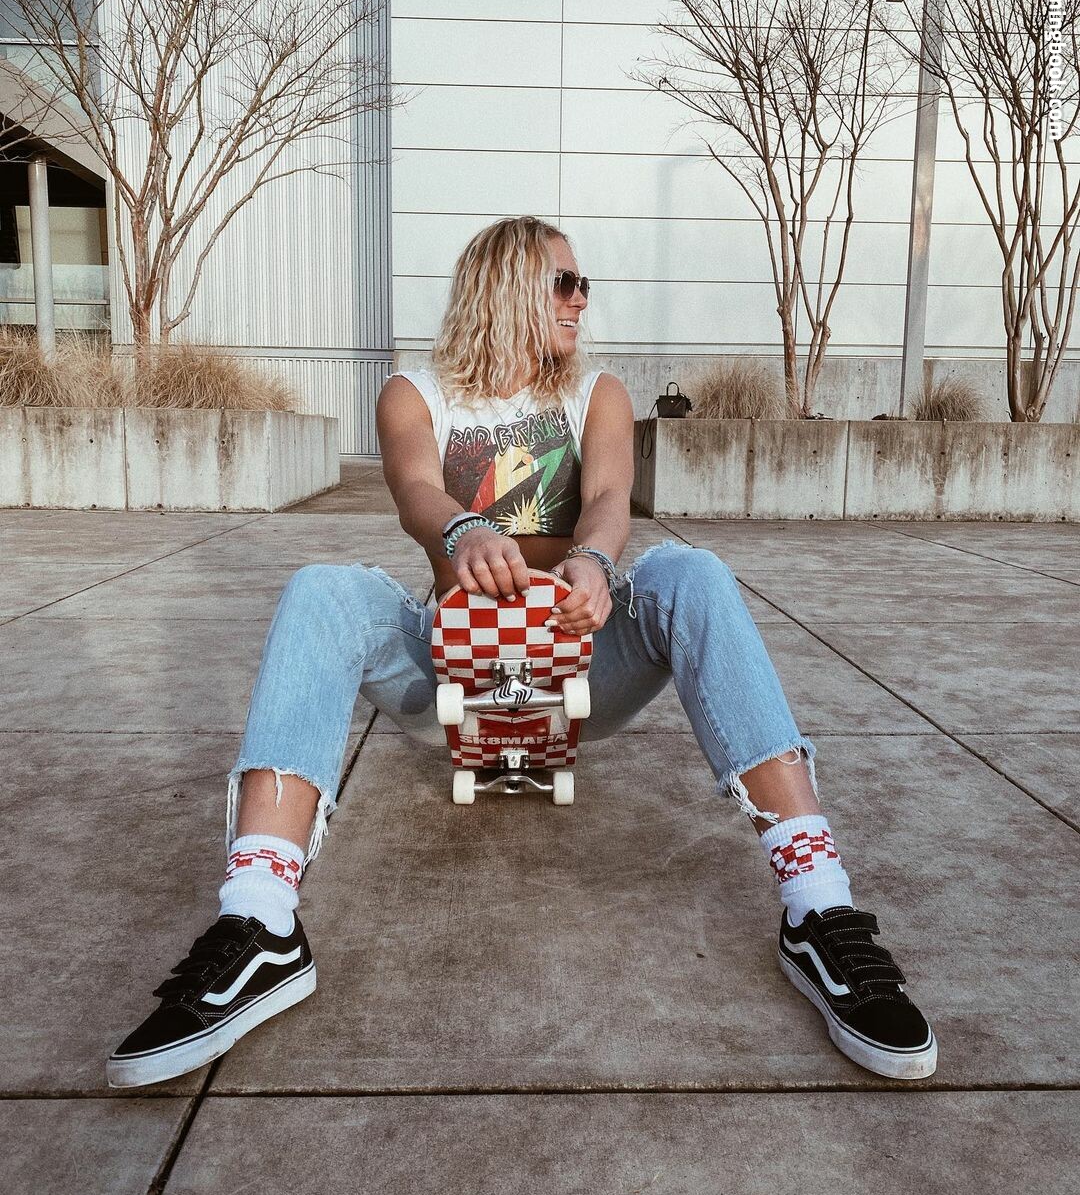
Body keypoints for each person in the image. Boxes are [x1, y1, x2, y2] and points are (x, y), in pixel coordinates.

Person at [107, 215, 936, 1088]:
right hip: (450, 671)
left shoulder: (596, 393)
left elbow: (610, 497)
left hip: (580, 667)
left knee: (691, 573)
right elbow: (415, 490)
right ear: (503, 287)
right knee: (322, 590)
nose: (581, 299)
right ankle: (260, 922)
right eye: (563, 283)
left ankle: (817, 906)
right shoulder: (412, 393)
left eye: (583, 284)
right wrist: (462, 530)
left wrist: (596, 561)